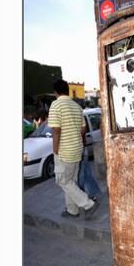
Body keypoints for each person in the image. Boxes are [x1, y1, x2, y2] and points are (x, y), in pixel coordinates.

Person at [48, 80, 99, 219]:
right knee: (72, 181)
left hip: (65, 151)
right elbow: (83, 129)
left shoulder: (56, 104)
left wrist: (55, 151)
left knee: (62, 181)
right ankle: (72, 210)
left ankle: (88, 204)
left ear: (55, 92)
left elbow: (56, 130)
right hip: (77, 149)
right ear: (68, 90)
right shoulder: (77, 106)